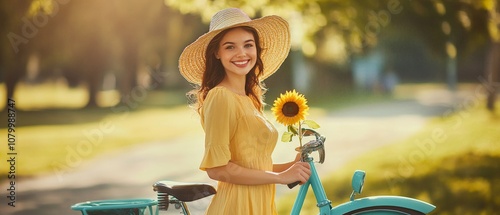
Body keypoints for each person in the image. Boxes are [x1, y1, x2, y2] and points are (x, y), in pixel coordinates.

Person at [178, 8, 311, 215]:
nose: (241, 53)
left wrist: (289, 168)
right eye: (230, 47)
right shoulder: (221, 97)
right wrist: (280, 178)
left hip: (260, 205)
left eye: (248, 45)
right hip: (236, 207)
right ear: (217, 53)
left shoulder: (250, 99)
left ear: (256, 49)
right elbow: (218, 169)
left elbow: (253, 166)